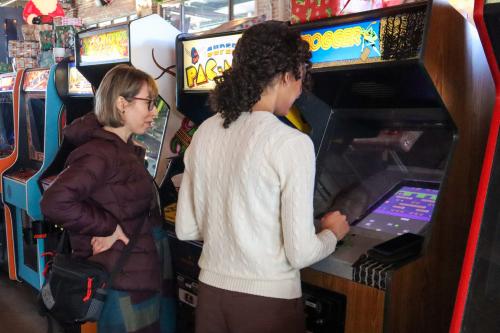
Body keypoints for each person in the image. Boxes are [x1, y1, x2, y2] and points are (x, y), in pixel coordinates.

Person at [175, 21, 350, 333]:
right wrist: (331, 233)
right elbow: (301, 253)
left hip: (211, 298)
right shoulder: (291, 143)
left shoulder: (205, 132)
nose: (300, 91)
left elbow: (186, 228)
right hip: (268, 304)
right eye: (300, 79)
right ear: (285, 76)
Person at [41, 64, 175, 333]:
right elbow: (55, 202)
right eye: (148, 103)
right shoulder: (101, 152)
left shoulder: (119, 148)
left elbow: (118, 197)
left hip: (135, 273)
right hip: (122, 281)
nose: (153, 112)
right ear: (121, 104)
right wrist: (108, 227)